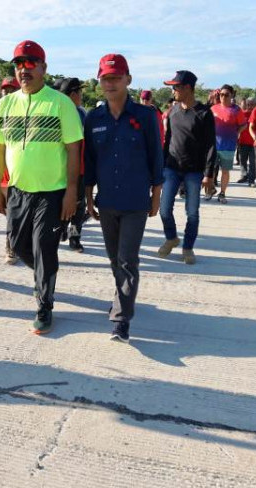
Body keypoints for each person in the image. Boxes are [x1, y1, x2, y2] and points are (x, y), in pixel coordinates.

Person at [0, 40, 83, 335]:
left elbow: (73, 150)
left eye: (30, 63)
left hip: (52, 192)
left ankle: (45, 303)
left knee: (44, 247)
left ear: (43, 68)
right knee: (18, 245)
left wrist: (71, 191)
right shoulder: (5, 104)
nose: (23, 69)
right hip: (18, 189)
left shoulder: (60, 103)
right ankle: (46, 274)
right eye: (18, 64)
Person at [84, 54, 163, 343]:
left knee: (128, 259)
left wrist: (156, 194)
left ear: (128, 79)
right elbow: (90, 161)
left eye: (116, 77)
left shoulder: (144, 116)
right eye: (106, 78)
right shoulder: (94, 118)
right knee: (114, 259)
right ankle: (122, 299)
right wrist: (87, 197)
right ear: (100, 82)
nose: (111, 82)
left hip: (135, 201)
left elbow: (156, 156)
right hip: (106, 201)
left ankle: (121, 320)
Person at [158, 70, 216, 264]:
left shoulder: (204, 113)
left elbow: (210, 146)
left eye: (176, 87)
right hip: (172, 168)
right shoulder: (173, 111)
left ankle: (188, 248)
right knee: (164, 209)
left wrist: (209, 175)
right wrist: (161, 165)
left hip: (194, 171)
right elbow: (168, 141)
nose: (173, 90)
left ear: (188, 88)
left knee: (192, 212)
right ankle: (171, 237)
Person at [58, 77, 88, 252]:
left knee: (78, 205)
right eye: (80, 92)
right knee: (60, 203)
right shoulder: (58, 111)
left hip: (80, 168)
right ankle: (61, 229)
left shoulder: (82, 113)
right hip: (61, 168)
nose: (82, 96)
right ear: (73, 94)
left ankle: (74, 237)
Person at [209, 84, 247, 203]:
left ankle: (222, 193)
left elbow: (244, 124)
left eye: (226, 95)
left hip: (228, 146)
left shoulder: (236, 110)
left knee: (225, 171)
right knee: (209, 170)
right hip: (213, 145)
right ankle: (209, 191)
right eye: (221, 94)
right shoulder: (213, 108)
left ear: (231, 95)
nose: (223, 97)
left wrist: (236, 132)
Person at [0, 76, 21, 265]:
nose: (8, 92)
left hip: (24, 174)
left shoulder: (28, 111)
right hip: (5, 174)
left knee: (18, 212)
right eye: (5, 89)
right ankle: (11, 247)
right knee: (12, 212)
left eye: (12, 89)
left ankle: (17, 243)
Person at [237, 98, 256, 186]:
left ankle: (251, 179)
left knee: (253, 162)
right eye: (248, 104)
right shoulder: (242, 114)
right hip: (242, 142)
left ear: (255, 105)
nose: (249, 106)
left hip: (254, 143)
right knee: (242, 160)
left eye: (252, 104)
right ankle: (244, 176)